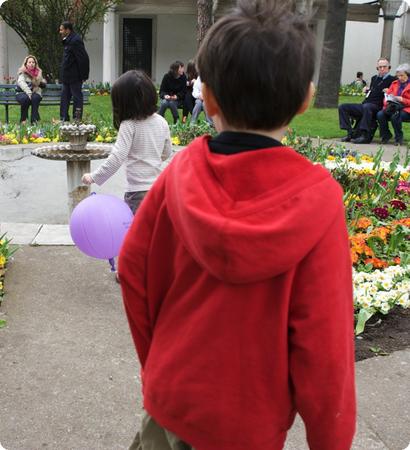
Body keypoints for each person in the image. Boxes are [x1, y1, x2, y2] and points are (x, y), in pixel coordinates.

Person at [118, 1, 356, 449]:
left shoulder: (179, 173)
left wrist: (159, 364)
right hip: (251, 424)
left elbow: (133, 271)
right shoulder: (318, 199)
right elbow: (325, 344)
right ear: (306, 98)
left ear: (206, 98)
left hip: (172, 406)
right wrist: (332, 440)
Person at [81, 70, 172, 215]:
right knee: (155, 233)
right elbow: (167, 152)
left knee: (136, 234)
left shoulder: (129, 125)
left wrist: (94, 177)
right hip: (159, 190)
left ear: (124, 102)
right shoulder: (161, 121)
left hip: (138, 194)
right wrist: (151, 160)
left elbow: (117, 157)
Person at [339, 58, 395, 144]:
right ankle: (350, 132)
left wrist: (389, 91)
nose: (382, 69)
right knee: (343, 107)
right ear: (377, 68)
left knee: (367, 107)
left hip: (378, 106)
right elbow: (373, 91)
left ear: (389, 68)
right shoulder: (374, 78)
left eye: (384, 67)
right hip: (366, 104)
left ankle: (365, 134)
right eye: (380, 67)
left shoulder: (392, 79)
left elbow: (396, 92)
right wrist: (367, 90)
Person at [59, 21, 90, 122]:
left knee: (77, 98)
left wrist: (84, 75)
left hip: (74, 76)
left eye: (61, 29)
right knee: (64, 98)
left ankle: (77, 119)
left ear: (68, 30)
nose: (60, 31)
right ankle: (63, 119)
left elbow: (83, 58)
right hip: (67, 77)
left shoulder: (76, 40)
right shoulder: (69, 39)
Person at [377, 63, 410, 145]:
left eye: (402, 75)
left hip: (406, 109)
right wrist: (388, 100)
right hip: (393, 106)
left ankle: (399, 138)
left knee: (395, 115)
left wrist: (402, 99)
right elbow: (387, 95)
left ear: (408, 74)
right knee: (380, 114)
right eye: (398, 76)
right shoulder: (394, 83)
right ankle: (386, 135)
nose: (400, 78)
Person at [15, 55, 47, 124]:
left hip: (35, 92)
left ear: (35, 64)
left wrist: (41, 82)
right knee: (25, 99)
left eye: (33, 62)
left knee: (35, 98)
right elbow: (21, 82)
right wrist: (29, 93)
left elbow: (42, 83)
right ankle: (23, 120)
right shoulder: (22, 72)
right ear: (26, 64)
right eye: (29, 62)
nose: (31, 64)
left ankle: (34, 121)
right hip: (22, 93)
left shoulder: (38, 72)